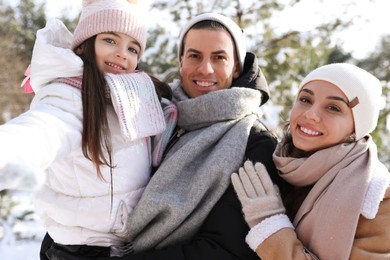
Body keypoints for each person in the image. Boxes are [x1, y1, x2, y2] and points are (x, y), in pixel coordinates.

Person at [43, 12, 285, 259]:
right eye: (194, 56)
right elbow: (93, 189)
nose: (205, 68)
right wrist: (57, 248)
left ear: (236, 67)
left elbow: (225, 249)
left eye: (219, 57)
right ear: (181, 61)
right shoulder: (150, 113)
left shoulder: (253, 143)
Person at [0, 0, 176, 258]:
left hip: (122, 248)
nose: (122, 54)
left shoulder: (130, 97)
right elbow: (38, 133)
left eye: (133, 48)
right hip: (84, 250)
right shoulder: (69, 98)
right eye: (110, 40)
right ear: (84, 43)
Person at [232, 63, 390, 259]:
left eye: (333, 107)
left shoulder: (377, 199)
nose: (310, 115)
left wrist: (270, 224)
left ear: (356, 127)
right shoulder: (274, 164)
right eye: (305, 99)